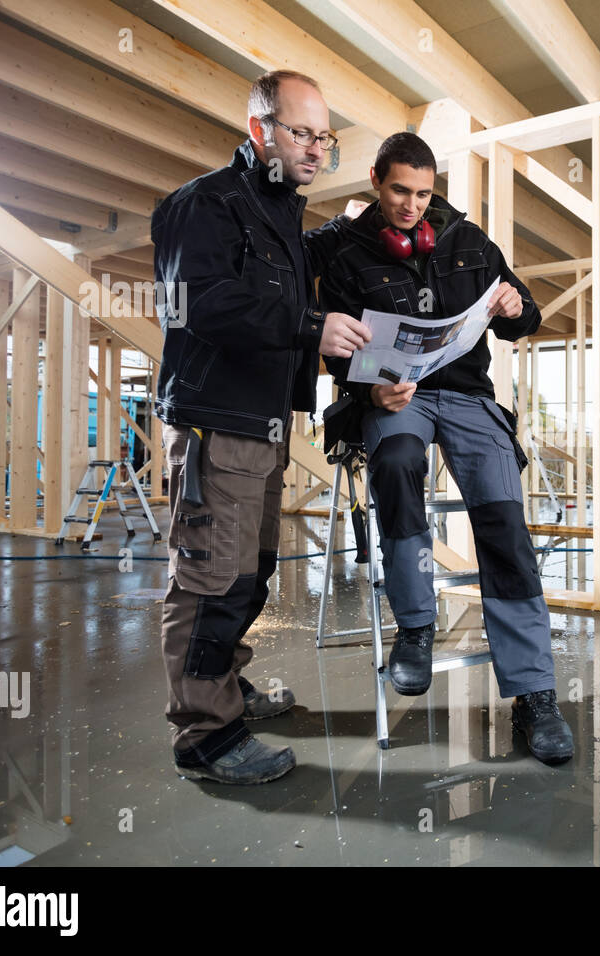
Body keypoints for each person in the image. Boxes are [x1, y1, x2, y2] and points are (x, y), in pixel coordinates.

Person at [316, 132, 574, 764]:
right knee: (399, 462)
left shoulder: (467, 240)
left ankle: (534, 693)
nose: (411, 206)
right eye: (400, 191)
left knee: (505, 524)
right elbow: (333, 349)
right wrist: (369, 395)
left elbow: (525, 317)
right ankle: (416, 626)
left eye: (423, 193)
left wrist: (515, 303)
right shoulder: (346, 254)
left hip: (465, 397)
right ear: (377, 180)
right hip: (394, 398)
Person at [152, 70, 371, 784]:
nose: (315, 149)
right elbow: (202, 305)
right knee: (212, 579)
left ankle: (224, 685)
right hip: (217, 422)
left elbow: (277, 278)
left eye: (324, 138)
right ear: (260, 130)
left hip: (264, 425)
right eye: (302, 133)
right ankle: (205, 737)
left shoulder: (278, 212)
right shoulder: (207, 203)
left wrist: (353, 226)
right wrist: (311, 325)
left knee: (251, 574)